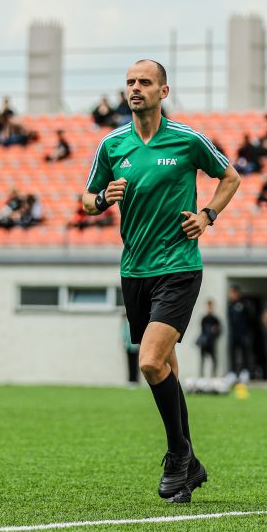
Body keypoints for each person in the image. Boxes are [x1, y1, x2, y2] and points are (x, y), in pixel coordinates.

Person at [81, 59, 240, 504]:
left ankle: (176, 456)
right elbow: (86, 197)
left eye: (144, 82)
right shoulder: (112, 144)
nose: (135, 88)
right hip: (134, 270)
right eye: (130, 82)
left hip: (179, 266)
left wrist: (207, 215)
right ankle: (191, 467)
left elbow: (231, 176)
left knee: (149, 363)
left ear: (163, 91)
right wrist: (100, 198)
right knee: (167, 366)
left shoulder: (187, 140)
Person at [226, 285, 253, 381]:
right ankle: (232, 373)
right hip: (233, 334)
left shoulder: (244, 304)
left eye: (232, 293)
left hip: (243, 334)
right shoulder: (230, 305)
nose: (231, 295)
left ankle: (245, 372)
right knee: (232, 353)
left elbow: (250, 319)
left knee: (244, 353)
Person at [196, 300, 222, 378]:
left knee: (214, 360)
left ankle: (213, 376)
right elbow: (202, 331)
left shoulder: (215, 319)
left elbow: (219, 331)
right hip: (204, 343)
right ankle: (201, 376)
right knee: (202, 360)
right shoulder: (204, 318)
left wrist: (215, 333)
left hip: (212, 343)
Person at [121, 312, 139, 384]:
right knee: (129, 363)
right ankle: (130, 380)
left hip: (135, 346)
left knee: (135, 363)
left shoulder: (135, 321)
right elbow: (124, 333)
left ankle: (135, 380)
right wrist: (123, 342)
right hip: (128, 346)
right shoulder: (125, 321)